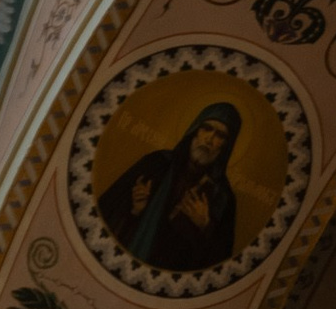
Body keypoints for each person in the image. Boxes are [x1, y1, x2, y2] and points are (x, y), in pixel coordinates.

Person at [95, 101, 246, 276]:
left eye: (220, 135)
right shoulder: (156, 163)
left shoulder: (223, 198)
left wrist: (205, 226)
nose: (209, 139)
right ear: (195, 130)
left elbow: (219, 266)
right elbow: (106, 216)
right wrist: (136, 210)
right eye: (206, 128)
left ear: (226, 145)